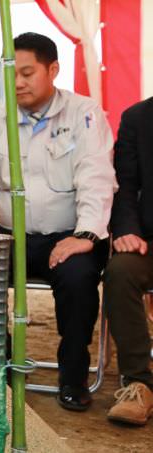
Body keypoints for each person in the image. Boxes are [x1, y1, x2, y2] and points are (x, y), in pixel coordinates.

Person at [0, 33, 115, 412]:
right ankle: (3, 365)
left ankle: (73, 376)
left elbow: (97, 176)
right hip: (11, 238)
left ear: (53, 69)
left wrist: (86, 234)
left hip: (69, 237)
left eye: (27, 73)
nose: (18, 83)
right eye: (12, 74)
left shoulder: (84, 113)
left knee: (78, 280)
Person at [103, 96, 153, 426]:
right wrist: (125, 230)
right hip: (148, 244)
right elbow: (123, 186)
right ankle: (139, 384)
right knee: (119, 271)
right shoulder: (138, 117)